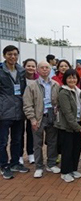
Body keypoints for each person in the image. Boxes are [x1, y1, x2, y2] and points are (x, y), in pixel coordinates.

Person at [23, 61, 61, 178]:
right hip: (39, 116)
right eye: (42, 68)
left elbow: (58, 102)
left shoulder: (55, 84)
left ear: (50, 70)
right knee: (37, 143)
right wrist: (32, 119)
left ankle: (51, 163)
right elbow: (27, 104)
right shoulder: (32, 86)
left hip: (52, 116)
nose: (45, 69)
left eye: (47, 68)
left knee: (52, 142)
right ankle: (39, 167)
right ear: (37, 70)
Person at [0, 45, 29, 179]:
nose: (13, 57)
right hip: (4, 112)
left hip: (19, 111)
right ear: (4, 55)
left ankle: (15, 162)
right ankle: (4, 165)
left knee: (17, 140)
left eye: (15, 54)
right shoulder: (1, 71)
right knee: (3, 141)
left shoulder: (21, 71)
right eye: (10, 54)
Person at [54, 69, 81, 182]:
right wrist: (77, 127)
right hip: (67, 126)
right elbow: (67, 113)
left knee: (76, 148)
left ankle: (73, 169)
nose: (72, 80)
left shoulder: (78, 91)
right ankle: (65, 172)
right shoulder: (63, 92)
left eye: (74, 77)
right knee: (67, 149)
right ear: (65, 79)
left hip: (78, 123)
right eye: (69, 77)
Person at [19, 58, 38, 165]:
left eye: (33, 66)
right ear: (24, 66)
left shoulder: (38, 79)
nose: (31, 68)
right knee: (19, 133)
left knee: (31, 132)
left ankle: (31, 153)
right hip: (20, 109)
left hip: (33, 109)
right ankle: (19, 155)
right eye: (28, 66)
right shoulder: (19, 78)